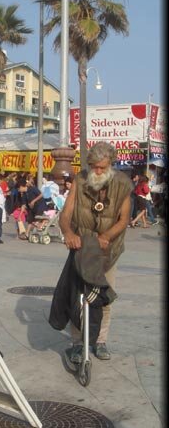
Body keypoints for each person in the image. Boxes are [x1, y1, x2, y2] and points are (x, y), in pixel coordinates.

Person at [59, 141, 132, 362]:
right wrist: (68, 233)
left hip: (108, 250)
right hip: (81, 246)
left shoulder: (122, 183)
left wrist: (106, 237)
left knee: (104, 297)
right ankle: (77, 343)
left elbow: (123, 219)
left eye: (102, 167)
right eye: (94, 167)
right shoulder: (80, 180)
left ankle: (100, 341)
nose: (98, 172)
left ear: (111, 164)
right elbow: (65, 213)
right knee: (77, 297)